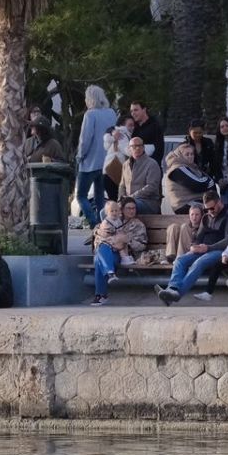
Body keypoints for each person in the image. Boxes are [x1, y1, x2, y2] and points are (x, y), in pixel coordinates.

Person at [89, 200, 147, 306]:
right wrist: (98, 232)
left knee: (99, 259)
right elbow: (98, 228)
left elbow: (142, 245)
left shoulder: (138, 225)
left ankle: (101, 295)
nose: (131, 211)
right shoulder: (113, 218)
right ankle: (109, 275)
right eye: (128, 208)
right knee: (101, 251)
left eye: (133, 208)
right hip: (109, 251)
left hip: (124, 254)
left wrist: (127, 241)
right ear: (122, 210)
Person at [74, 87, 117, 225]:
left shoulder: (90, 114)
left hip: (89, 163)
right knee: (100, 197)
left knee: (81, 196)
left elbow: (85, 139)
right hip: (106, 161)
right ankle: (103, 223)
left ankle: (94, 223)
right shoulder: (111, 113)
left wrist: (80, 155)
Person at [163, 139, 214, 213]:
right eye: (187, 154)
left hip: (196, 201)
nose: (190, 156)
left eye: (192, 154)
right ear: (180, 155)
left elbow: (209, 184)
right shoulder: (178, 168)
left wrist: (209, 183)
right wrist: (210, 182)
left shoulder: (192, 167)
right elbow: (197, 185)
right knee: (215, 209)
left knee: (221, 207)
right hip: (185, 204)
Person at [117, 136, 162, 215]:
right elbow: (122, 185)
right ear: (129, 149)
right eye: (134, 146)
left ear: (143, 147)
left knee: (127, 207)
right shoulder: (125, 164)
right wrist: (121, 199)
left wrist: (131, 198)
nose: (137, 148)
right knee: (105, 212)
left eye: (139, 146)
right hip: (128, 201)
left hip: (148, 202)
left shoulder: (152, 164)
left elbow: (152, 186)